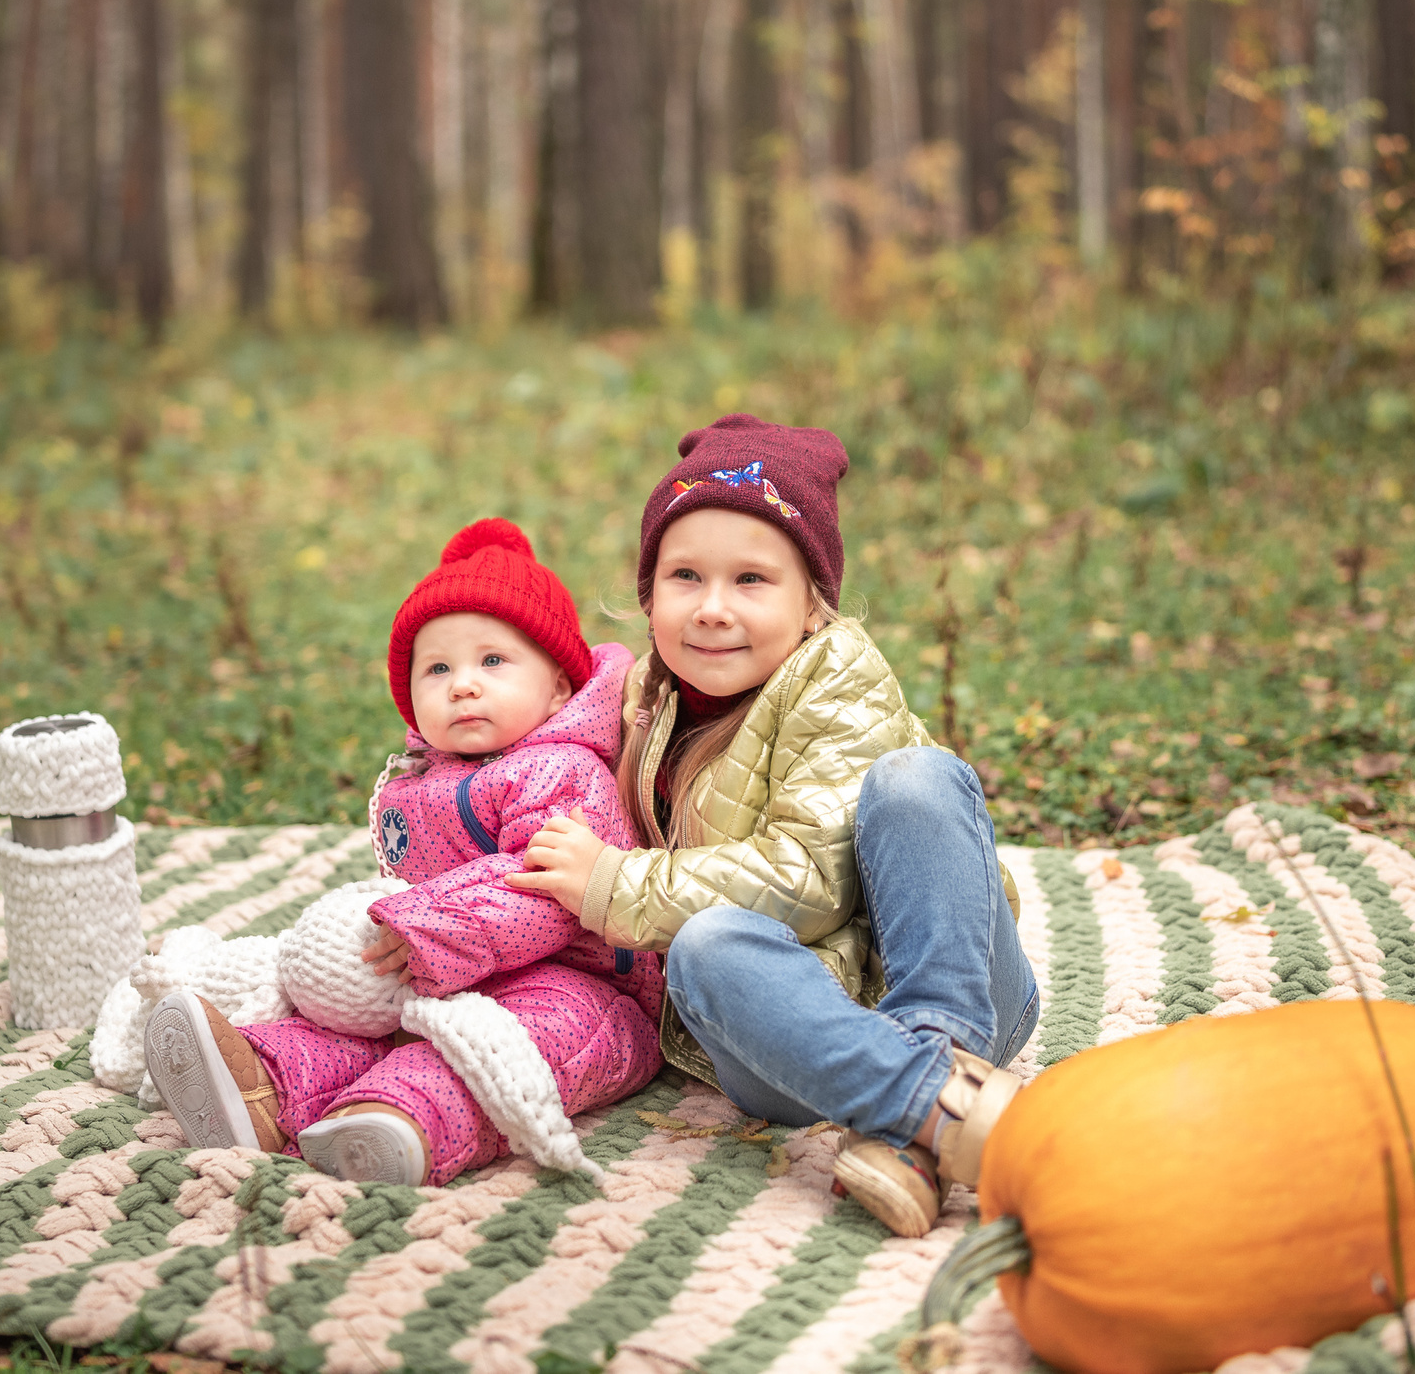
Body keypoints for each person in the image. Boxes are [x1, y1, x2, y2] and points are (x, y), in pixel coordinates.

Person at [508, 414, 1037, 1237]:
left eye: (752, 580)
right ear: (649, 595)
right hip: (799, 1038)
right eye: (686, 575)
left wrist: (616, 884)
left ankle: (935, 1062)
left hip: (956, 977)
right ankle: (936, 1112)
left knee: (918, 779)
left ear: (813, 602)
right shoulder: (645, 693)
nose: (713, 608)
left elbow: (812, 880)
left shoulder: (838, 674)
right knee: (707, 947)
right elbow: (530, 747)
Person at [144, 518, 663, 1186]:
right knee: (355, 1019)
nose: (463, 683)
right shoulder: (423, 779)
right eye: (438, 667)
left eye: (493, 661)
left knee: (488, 1049)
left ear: (560, 685)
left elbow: (546, 888)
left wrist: (428, 927)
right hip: (444, 961)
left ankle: (400, 1120)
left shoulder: (559, 769)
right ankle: (263, 1081)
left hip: (583, 982)